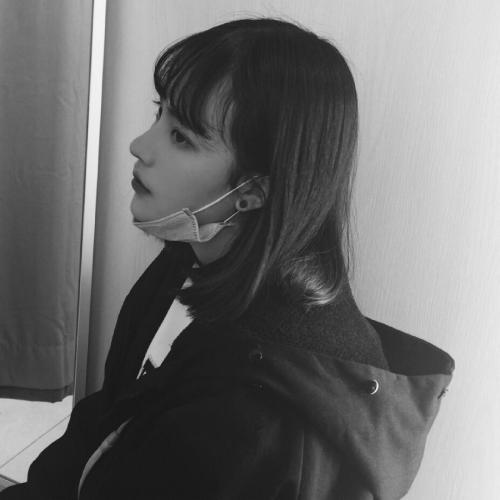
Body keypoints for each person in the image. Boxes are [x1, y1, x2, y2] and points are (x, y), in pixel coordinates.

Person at [0, 17, 454, 500]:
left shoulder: (255, 428)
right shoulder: (188, 259)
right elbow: (110, 412)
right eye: (160, 114)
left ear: (254, 191)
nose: (140, 146)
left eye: (182, 137)